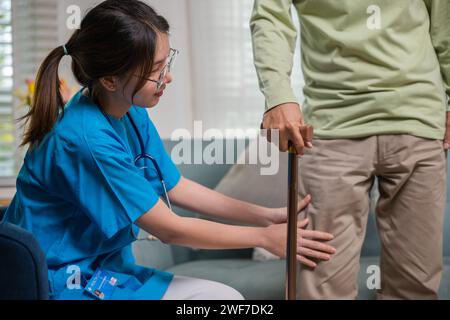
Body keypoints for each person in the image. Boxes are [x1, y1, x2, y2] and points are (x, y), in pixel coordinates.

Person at [3, 0, 336, 300]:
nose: (168, 78)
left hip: (109, 272)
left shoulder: (128, 111)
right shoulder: (85, 140)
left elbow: (174, 186)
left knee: (223, 298)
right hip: (64, 282)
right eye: (155, 71)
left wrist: (264, 215)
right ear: (110, 80)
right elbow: (170, 229)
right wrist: (265, 238)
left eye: (167, 62)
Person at [251, 0, 450, 299]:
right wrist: (278, 96)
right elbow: (270, 15)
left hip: (418, 120)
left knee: (415, 289)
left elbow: (444, 22)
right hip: (331, 127)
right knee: (320, 287)